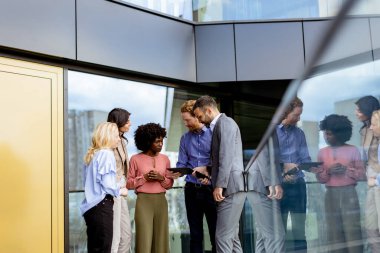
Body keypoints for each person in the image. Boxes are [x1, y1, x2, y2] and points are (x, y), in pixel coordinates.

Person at [193, 95, 246, 253]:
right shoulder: (220, 125)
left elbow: (226, 156)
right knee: (232, 237)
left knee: (222, 238)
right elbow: (223, 157)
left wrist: (219, 185)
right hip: (233, 187)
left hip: (230, 187)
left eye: (200, 116)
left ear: (208, 110)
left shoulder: (226, 123)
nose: (200, 121)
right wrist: (207, 169)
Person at [312, 114, 365, 253]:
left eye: (329, 134)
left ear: (340, 134)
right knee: (333, 231)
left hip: (349, 194)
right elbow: (320, 179)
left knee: (353, 231)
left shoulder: (353, 150)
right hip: (330, 195)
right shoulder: (322, 152)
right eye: (325, 133)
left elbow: (362, 174)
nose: (326, 137)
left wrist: (346, 170)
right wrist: (328, 171)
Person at [174, 100, 217, 253]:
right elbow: (181, 163)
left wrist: (210, 174)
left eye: (187, 120)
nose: (185, 123)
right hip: (191, 190)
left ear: (197, 116)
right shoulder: (185, 139)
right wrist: (177, 171)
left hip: (212, 189)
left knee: (216, 233)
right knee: (195, 234)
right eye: (183, 120)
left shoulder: (214, 134)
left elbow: (219, 161)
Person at [80, 122, 128, 253]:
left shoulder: (92, 155)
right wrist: (121, 190)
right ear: (108, 136)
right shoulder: (107, 154)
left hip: (91, 208)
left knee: (95, 248)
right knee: (104, 248)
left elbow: (92, 183)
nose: (119, 139)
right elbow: (107, 185)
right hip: (102, 206)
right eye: (117, 136)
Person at [126, 123, 173, 253]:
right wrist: (144, 178)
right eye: (157, 141)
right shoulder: (135, 159)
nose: (161, 144)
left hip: (161, 202)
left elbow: (169, 184)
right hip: (143, 202)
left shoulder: (165, 159)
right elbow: (128, 183)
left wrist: (161, 178)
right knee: (144, 239)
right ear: (147, 142)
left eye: (162, 141)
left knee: (161, 239)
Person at [276, 97, 311, 252]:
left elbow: (305, 160)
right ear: (286, 113)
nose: (299, 118)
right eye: (296, 115)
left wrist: (312, 167)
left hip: (298, 187)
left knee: (299, 231)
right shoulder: (272, 133)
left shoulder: (300, 134)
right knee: (279, 231)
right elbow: (266, 161)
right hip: (279, 187)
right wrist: (283, 168)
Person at [246, 130, 285, 252]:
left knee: (263, 235)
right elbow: (264, 157)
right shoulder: (267, 126)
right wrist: (273, 183)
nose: (298, 118)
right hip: (262, 185)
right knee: (276, 235)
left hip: (255, 184)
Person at [355, 96, 380, 251]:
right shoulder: (364, 130)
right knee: (371, 227)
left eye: (358, 110)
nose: (356, 113)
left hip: (377, 179)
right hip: (370, 181)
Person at [107, 108, 132, 253]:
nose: (130, 124)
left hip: (122, 191)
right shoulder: (108, 142)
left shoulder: (122, 140)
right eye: (127, 121)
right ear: (119, 121)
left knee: (126, 235)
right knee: (114, 236)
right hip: (112, 191)